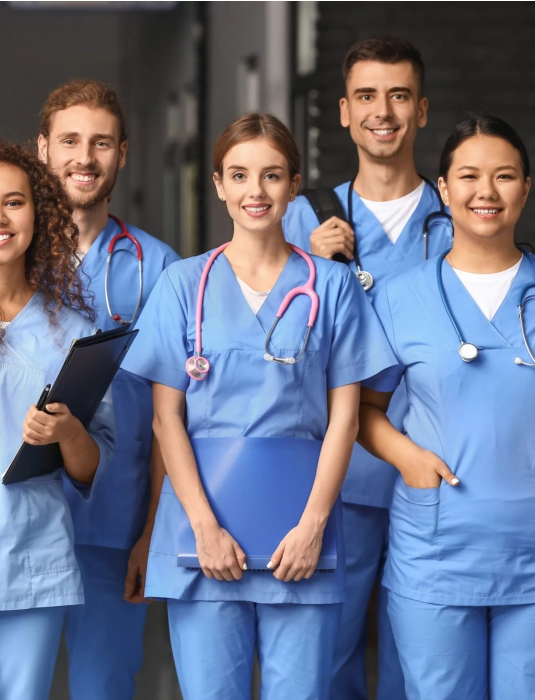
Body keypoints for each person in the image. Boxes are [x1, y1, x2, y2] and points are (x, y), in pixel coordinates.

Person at [122, 113, 396, 700]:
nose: (256, 191)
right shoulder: (181, 285)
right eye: (240, 175)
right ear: (218, 183)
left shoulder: (332, 286)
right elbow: (166, 418)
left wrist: (313, 528)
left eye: (272, 176)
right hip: (203, 535)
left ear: (294, 185)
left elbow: (345, 417)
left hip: (302, 538)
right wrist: (203, 529)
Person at [282, 36, 453, 698]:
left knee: (427, 665)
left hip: (434, 475)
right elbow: (266, 345)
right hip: (337, 479)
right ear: (345, 113)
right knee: (327, 658)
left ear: (423, 110)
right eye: (367, 97)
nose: (384, 111)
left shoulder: (458, 218)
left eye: (400, 96)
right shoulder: (301, 217)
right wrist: (309, 266)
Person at [358, 115, 535, 699]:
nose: (486, 192)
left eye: (505, 176)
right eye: (469, 176)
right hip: (437, 554)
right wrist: (407, 456)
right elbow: (363, 411)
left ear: (526, 190)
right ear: (444, 189)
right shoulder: (400, 297)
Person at [0, 137, 114, 700]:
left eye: (14, 202)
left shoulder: (74, 331)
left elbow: (88, 470)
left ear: (40, 213)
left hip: (31, 560)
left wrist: (67, 432)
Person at [38, 79, 179, 699]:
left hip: (113, 520)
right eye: (69, 140)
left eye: (101, 143)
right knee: (11, 682)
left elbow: (174, 415)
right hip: (21, 516)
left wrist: (154, 529)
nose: (84, 158)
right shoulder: (4, 252)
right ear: (42, 149)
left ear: (123, 153)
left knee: (105, 686)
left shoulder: (161, 267)